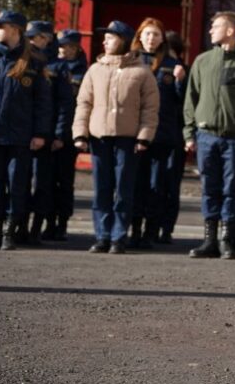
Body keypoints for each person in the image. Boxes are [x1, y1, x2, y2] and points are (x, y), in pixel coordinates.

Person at [183, 11, 235, 260]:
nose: (211, 30)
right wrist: (189, 133)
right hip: (206, 135)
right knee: (209, 188)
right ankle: (209, 240)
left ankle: (226, 240)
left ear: (230, 31)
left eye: (215, 26)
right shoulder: (203, 61)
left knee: (232, 189)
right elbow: (191, 98)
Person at [73, 20, 159, 254]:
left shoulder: (141, 71)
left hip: (128, 139)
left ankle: (118, 236)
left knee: (123, 188)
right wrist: (80, 133)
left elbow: (150, 108)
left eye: (110, 38)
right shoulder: (95, 69)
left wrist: (144, 137)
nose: (104, 42)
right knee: (102, 188)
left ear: (122, 41)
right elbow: (84, 103)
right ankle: (102, 235)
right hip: (99, 137)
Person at [0, 10, 52, 251]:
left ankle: (10, 233)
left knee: (16, 185)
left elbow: (42, 102)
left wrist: (40, 133)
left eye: (1, 26)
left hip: (20, 135)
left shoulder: (34, 61)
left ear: (15, 30)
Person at [128, 18, 187, 249]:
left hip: (162, 134)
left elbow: (182, 101)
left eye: (156, 34)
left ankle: (150, 232)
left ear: (162, 39)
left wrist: (180, 82)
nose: (151, 38)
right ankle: (133, 230)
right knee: (135, 183)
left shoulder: (172, 64)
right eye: (147, 34)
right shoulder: (129, 60)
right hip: (133, 132)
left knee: (156, 185)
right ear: (139, 36)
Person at [25, 20, 73, 244]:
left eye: (35, 37)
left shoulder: (58, 66)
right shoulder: (22, 59)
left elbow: (65, 103)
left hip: (47, 134)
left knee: (43, 184)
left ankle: (36, 228)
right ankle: (19, 226)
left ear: (47, 39)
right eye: (29, 37)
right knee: (20, 183)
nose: (31, 41)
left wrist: (59, 134)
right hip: (22, 132)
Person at [160, 30, 188, 244]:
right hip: (156, 133)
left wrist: (179, 81)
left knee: (170, 183)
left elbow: (186, 103)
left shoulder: (183, 71)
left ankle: (166, 228)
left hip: (175, 135)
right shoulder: (153, 67)